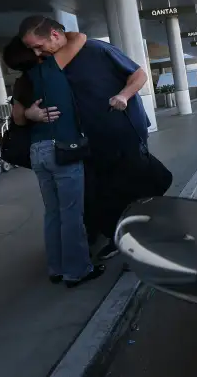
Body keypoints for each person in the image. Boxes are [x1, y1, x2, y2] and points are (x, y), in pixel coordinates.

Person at [18, 15, 173, 261]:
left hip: (123, 132)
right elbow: (22, 103)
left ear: (55, 35)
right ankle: (118, 238)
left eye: (39, 45)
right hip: (87, 142)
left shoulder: (97, 50)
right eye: (32, 49)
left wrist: (123, 95)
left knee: (136, 185)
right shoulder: (53, 65)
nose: (37, 53)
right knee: (103, 192)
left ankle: (148, 239)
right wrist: (31, 113)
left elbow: (139, 75)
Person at [3, 32, 106, 288]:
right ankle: (77, 271)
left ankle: (57, 268)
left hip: (37, 152)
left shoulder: (23, 81)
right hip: (62, 148)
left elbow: (17, 118)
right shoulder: (53, 66)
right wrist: (44, 36)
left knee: (53, 213)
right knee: (72, 213)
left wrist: (30, 113)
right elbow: (79, 37)